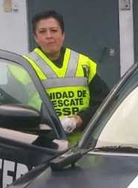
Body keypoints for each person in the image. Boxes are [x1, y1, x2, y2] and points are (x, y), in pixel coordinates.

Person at [24, 10, 109, 143]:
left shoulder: (83, 64)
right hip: (42, 143)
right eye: (42, 32)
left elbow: (104, 102)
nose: (49, 36)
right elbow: (12, 108)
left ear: (63, 34)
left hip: (83, 145)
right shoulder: (24, 67)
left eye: (54, 30)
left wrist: (79, 119)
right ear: (35, 37)